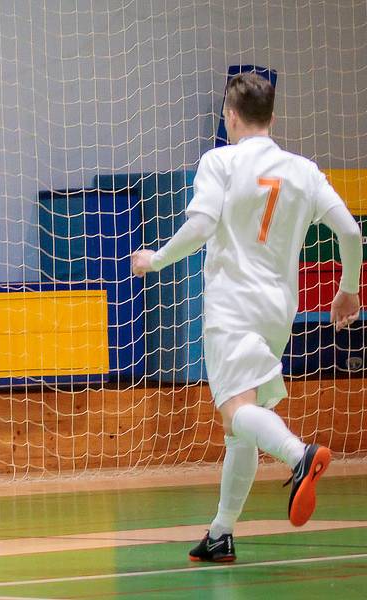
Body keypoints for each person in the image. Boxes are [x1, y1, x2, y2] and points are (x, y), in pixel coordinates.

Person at [131, 72, 362, 563]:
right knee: (241, 427)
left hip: (232, 307)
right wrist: (346, 291)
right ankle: (222, 532)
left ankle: (300, 457)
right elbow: (352, 233)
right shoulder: (304, 170)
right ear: (272, 117)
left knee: (236, 411)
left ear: (230, 116)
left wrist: (156, 260)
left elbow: (199, 227)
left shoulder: (220, 160)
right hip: (279, 310)